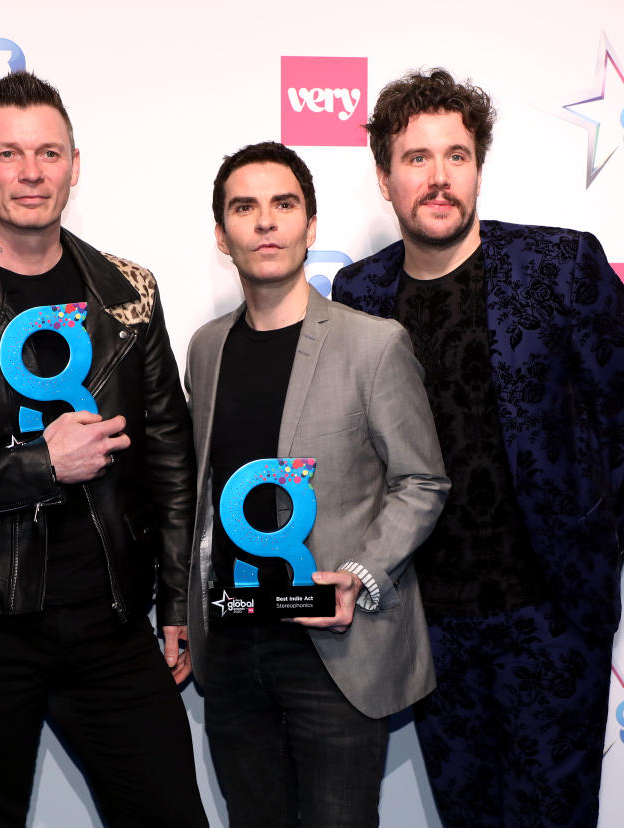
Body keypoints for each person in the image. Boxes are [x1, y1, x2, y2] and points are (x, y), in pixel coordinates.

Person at [0, 71, 206, 828]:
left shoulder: (129, 295)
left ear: (74, 166)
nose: (29, 173)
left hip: (111, 621)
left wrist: (177, 597)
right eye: (8, 154)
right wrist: (37, 466)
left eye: (48, 153)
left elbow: (171, 462)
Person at [332, 68, 624, 827]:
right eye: (416, 158)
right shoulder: (359, 293)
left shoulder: (558, 266)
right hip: (428, 628)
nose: (438, 177)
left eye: (456, 155)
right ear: (384, 179)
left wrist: (590, 546)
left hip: (548, 617)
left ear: (478, 166)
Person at [185, 141, 449, 828]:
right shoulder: (206, 348)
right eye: (244, 207)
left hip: (333, 647)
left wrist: (360, 575)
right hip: (235, 645)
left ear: (309, 225)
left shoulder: (373, 344)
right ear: (222, 234)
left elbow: (421, 479)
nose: (264, 222)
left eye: (283, 205)